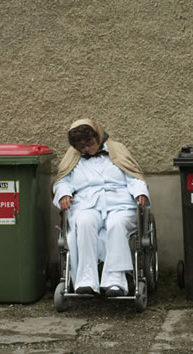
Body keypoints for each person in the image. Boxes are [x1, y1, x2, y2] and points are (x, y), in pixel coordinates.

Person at [53, 119, 150, 297]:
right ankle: (86, 281)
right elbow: (62, 181)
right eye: (82, 147)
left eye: (90, 144)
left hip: (119, 204)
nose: (87, 149)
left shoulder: (117, 151)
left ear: (98, 136)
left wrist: (140, 193)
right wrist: (64, 194)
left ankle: (115, 281)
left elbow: (133, 176)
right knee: (84, 222)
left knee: (116, 224)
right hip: (87, 204)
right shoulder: (73, 159)